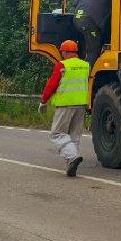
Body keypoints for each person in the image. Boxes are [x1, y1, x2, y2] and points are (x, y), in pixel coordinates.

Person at [38, 39, 88, 177]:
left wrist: (43, 101)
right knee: (74, 136)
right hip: (81, 105)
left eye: (62, 52)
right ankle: (71, 166)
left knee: (58, 133)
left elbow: (52, 85)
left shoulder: (62, 65)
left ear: (65, 52)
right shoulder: (85, 65)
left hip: (65, 105)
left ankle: (73, 157)